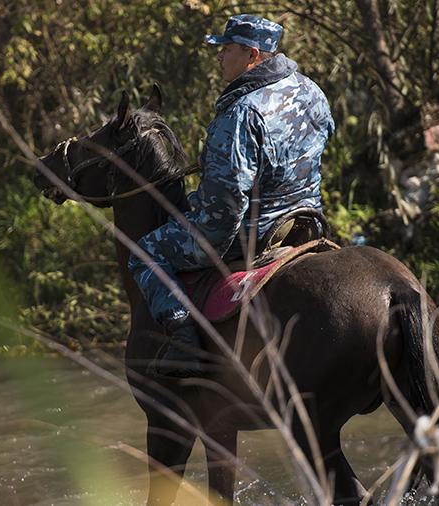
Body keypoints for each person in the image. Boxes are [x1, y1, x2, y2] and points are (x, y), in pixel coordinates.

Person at [127, 14, 335, 378]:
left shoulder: (242, 112)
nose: (219, 57)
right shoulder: (311, 90)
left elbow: (225, 207)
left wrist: (202, 238)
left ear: (252, 55)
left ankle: (185, 342)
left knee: (145, 253)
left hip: (257, 229)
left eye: (226, 50)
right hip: (307, 220)